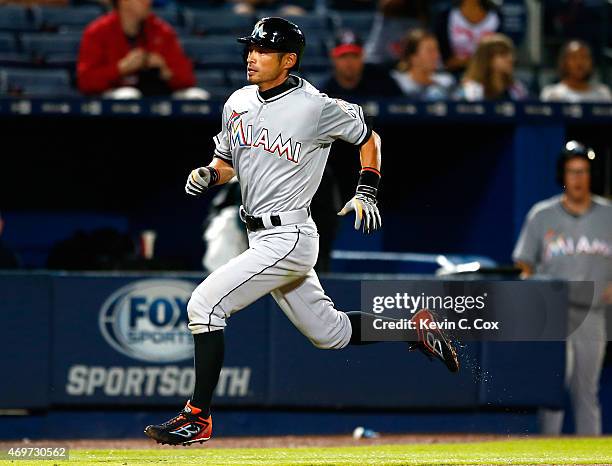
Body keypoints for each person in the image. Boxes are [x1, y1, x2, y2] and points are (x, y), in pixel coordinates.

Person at [144, 17, 459, 446]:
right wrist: (208, 174)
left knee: (204, 304)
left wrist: (367, 188)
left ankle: (197, 417)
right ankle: (412, 328)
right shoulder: (237, 101)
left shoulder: (315, 106)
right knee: (329, 333)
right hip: (259, 234)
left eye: (262, 50)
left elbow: (370, 138)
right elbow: (229, 162)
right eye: (250, 48)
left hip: (289, 235)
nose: (251, 57)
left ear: (288, 60)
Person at [513, 141, 612, 436]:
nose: (578, 179)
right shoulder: (542, 214)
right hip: (553, 315)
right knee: (552, 389)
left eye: (583, 172)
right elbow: (523, 264)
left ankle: (590, 457)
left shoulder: (609, 214)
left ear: (591, 175)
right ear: (562, 175)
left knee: (587, 392)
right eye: (572, 172)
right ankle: (548, 454)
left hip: (593, 313)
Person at [77, 0, 207, 98]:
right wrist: (120, 69)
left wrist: (165, 70)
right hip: (114, 95)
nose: (148, 2)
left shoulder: (161, 30)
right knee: (128, 96)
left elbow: (188, 79)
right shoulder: (98, 31)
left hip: (159, 93)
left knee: (197, 96)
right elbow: (85, 81)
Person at [319, 29, 402, 99]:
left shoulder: (382, 81)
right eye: (343, 56)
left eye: (354, 56)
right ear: (333, 58)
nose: (349, 61)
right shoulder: (323, 92)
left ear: (362, 56)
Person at [434, 0, 501, 75]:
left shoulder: (496, 16)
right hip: (451, 74)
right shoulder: (445, 16)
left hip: (488, 75)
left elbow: (501, 53)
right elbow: (444, 59)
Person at [454, 33, 527, 101]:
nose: (511, 59)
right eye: (502, 54)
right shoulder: (470, 91)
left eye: (511, 54)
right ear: (487, 59)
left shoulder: (517, 89)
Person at [391, 29, 455, 100]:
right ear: (413, 57)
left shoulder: (446, 81)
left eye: (437, 50)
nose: (437, 55)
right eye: (430, 51)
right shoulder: (397, 82)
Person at [541, 40, 612, 103]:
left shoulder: (603, 94)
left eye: (584, 57)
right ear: (564, 62)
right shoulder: (552, 94)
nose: (580, 62)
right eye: (574, 57)